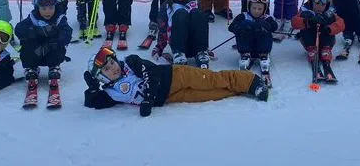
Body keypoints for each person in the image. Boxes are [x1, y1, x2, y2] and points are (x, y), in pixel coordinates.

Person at [83, 48, 269, 117]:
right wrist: (92, 89)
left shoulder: (131, 63)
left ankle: (251, 82)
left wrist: (148, 98)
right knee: (212, 94)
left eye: (112, 62)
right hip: (171, 97)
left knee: (213, 80)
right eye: (107, 70)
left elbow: (151, 74)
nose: (113, 68)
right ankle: (238, 90)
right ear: (102, 78)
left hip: (176, 75)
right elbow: (94, 103)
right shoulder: (111, 92)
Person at [15, 0, 73, 104]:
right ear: (38, 7)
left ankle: (54, 66)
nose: (48, 12)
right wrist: (31, 32)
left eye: (51, 8)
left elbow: (67, 31)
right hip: (36, 52)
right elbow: (19, 29)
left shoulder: (59, 19)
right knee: (27, 45)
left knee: (56, 44)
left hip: (51, 51)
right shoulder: (33, 18)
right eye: (44, 8)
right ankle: (31, 68)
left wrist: (59, 41)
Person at [152, 0, 210, 68]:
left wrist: (205, 47)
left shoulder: (195, 4)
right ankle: (179, 54)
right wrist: (159, 47)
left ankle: (202, 52)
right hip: (177, 45)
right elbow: (163, 28)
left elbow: (202, 27)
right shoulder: (167, 6)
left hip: (195, 44)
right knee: (180, 13)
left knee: (197, 13)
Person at [290, 0, 345, 82]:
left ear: (327, 3)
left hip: (324, 40)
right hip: (310, 40)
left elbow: (341, 24)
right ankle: (312, 51)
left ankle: (326, 53)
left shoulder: (330, 13)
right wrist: (307, 22)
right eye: (317, 0)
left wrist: (329, 29)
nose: (320, 5)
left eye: (323, 1)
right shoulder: (305, 10)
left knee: (328, 28)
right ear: (312, 0)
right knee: (306, 31)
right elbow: (294, 22)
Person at [228, 0, 278, 76]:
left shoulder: (267, 18)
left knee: (263, 25)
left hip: (262, 47)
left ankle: (264, 56)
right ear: (249, 7)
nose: (256, 11)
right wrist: (240, 28)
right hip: (247, 47)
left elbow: (274, 27)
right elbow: (231, 27)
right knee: (245, 24)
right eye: (254, 8)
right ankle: (245, 56)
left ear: (264, 9)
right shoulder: (243, 16)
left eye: (260, 9)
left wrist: (263, 24)